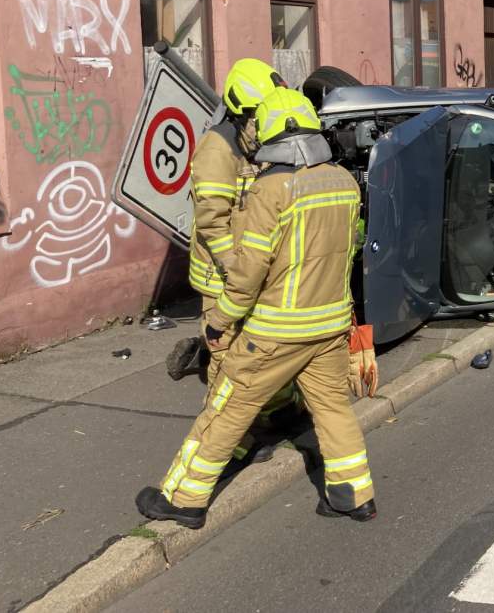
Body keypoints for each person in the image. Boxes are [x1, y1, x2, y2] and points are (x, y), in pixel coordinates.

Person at [137, 88, 375, 528]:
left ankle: (184, 499)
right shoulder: (344, 181)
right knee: (333, 410)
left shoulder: (272, 189)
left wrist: (221, 323)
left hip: (276, 331)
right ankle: (353, 494)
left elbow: (249, 273)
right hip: (330, 327)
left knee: (225, 411)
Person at [174, 58, 299, 466]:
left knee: (264, 349)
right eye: (257, 119)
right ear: (240, 113)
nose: (264, 128)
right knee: (226, 361)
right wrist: (238, 274)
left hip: (248, 275)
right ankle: (231, 443)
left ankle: (276, 411)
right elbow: (212, 222)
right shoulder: (218, 151)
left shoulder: (251, 145)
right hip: (222, 279)